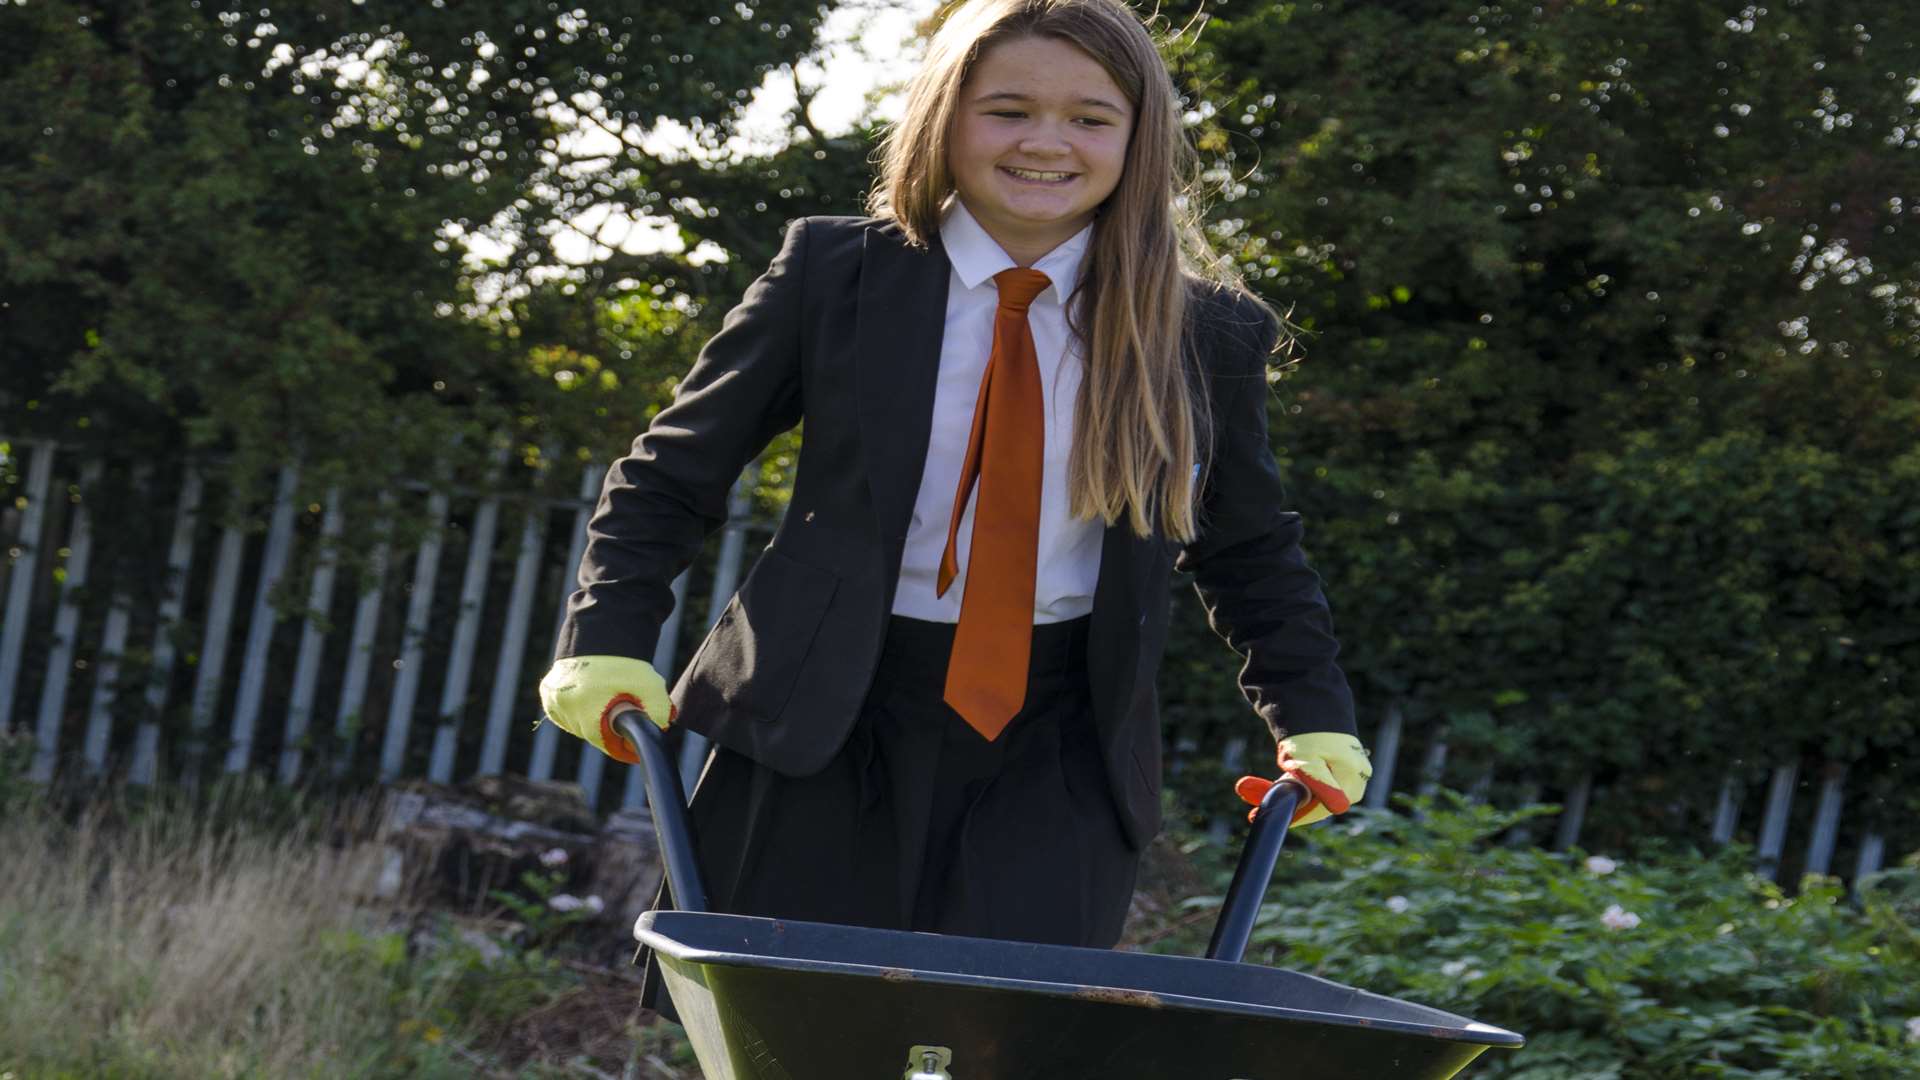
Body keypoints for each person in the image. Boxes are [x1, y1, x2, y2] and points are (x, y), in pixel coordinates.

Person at [538, 0, 1371, 1023]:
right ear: (945, 116)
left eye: (1090, 118)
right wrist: (605, 638)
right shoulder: (834, 275)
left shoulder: (1200, 332)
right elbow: (671, 476)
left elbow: (1248, 547)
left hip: (1060, 744)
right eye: (1007, 109)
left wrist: (1314, 714)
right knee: (797, 1036)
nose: (1046, 143)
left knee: (1004, 1041)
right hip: (821, 724)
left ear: (1139, 137)